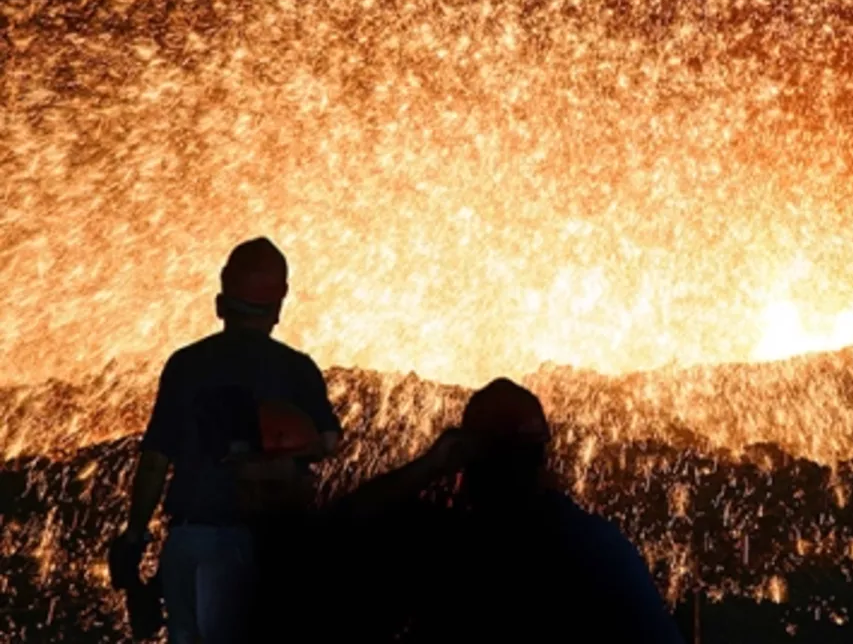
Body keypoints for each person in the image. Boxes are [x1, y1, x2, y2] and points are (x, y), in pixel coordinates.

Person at [326, 378, 686, 644]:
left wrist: (427, 467)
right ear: (544, 455)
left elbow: (336, 530)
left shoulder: (442, 542)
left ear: (468, 456)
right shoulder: (594, 542)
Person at [110, 237, 342, 644]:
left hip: (186, 540)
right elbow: (328, 441)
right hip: (260, 549)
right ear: (278, 307)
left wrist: (134, 535)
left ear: (220, 304)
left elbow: (154, 459)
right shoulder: (296, 370)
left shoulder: (185, 365)